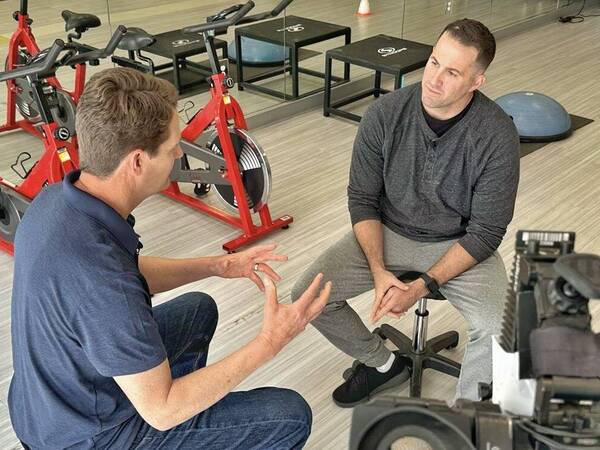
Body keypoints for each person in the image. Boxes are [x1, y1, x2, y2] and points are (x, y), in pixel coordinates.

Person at [9, 67, 331, 449]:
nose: (180, 151)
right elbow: (160, 410)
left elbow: (128, 274)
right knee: (289, 415)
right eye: (172, 145)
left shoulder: (58, 200)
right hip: (87, 437)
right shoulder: (105, 284)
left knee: (198, 309)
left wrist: (218, 265)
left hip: (51, 399)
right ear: (138, 162)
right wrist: (270, 341)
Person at [292, 18, 520, 407]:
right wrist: (379, 270)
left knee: (501, 329)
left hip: (459, 243)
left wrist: (421, 287)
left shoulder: (497, 135)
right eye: (433, 62)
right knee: (307, 296)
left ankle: (465, 418)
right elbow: (362, 199)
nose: (434, 79)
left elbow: (486, 232)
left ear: (476, 81)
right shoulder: (384, 114)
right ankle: (382, 365)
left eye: (452, 72)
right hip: (388, 231)